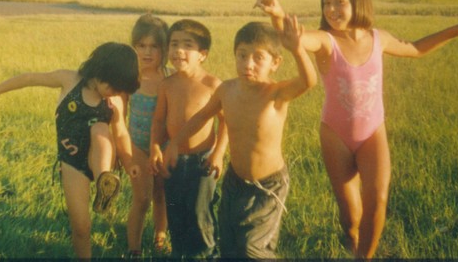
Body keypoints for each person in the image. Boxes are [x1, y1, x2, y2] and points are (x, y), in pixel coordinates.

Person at [255, 0, 458, 259]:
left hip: (372, 133)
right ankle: (352, 240)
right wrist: (279, 16)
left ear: (358, 2)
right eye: (326, 3)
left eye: (339, 2)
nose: (331, 9)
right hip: (335, 135)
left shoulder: (378, 38)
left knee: (378, 201)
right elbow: (296, 38)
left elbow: (415, 48)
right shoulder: (326, 41)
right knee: (351, 218)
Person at [164, 16, 316, 259]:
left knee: (253, 249)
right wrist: (173, 143)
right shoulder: (227, 90)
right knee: (230, 243)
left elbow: (309, 81)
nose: (248, 64)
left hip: (267, 185)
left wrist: (298, 49)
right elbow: (201, 117)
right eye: (242, 55)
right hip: (235, 181)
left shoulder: (276, 94)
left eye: (258, 58)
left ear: (275, 62)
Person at [0, 42, 141, 260]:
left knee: (99, 127)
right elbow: (29, 78)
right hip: (72, 162)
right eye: (115, 87)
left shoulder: (114, 101)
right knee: (81, 226)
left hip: (100, 157)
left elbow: (120, 134)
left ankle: (104, 181)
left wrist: (128, 163)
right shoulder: (69, 80)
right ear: (101, 72)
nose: (117, 93)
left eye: (121, 90)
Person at [149, 19, 228, 259]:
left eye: (187, 45)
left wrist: (218, 154)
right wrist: (154, 147)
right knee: (176, 210)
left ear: (202, 54)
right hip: (172, 159)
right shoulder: (167, 84)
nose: (178, 50)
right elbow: (159, 121)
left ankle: (206, 254)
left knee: (199, 212)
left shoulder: (213, 85)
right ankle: (180, 253)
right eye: (174, 44)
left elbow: (225, 122)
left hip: (202, 160)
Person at [126, 14, 171, 257]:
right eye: (141, 45)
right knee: (142, 199)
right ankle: (134, 249)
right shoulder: (130, 77)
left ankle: (160, 238)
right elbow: (119, 117)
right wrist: (119, 151)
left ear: (164, 49)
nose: (147, 52)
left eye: (154, 46)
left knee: (160, 195)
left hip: (164, 146)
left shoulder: (170, 77)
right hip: (137, 146)